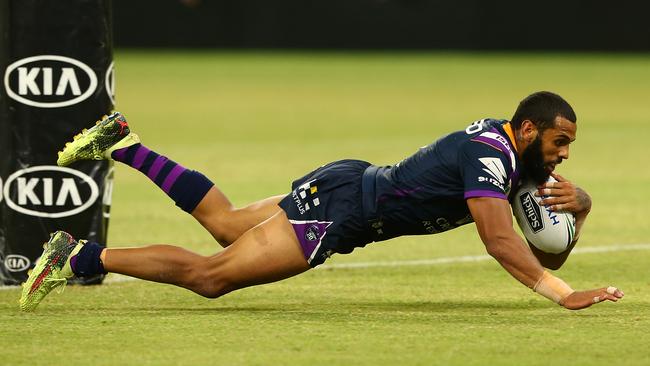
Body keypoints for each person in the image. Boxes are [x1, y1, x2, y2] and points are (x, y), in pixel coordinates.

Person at [19, 91, 624, 311]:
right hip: (344, 212)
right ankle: (76, 256)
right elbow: (499, 241)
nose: (566, 153)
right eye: (560, 141)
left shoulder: (519, 160)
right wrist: (563, 296)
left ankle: (122, 143)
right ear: (527, 130)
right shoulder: (491, 156)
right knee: (211, 279)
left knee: (227, 225)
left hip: (348, 182)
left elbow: (546, 250)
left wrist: (583, 210)